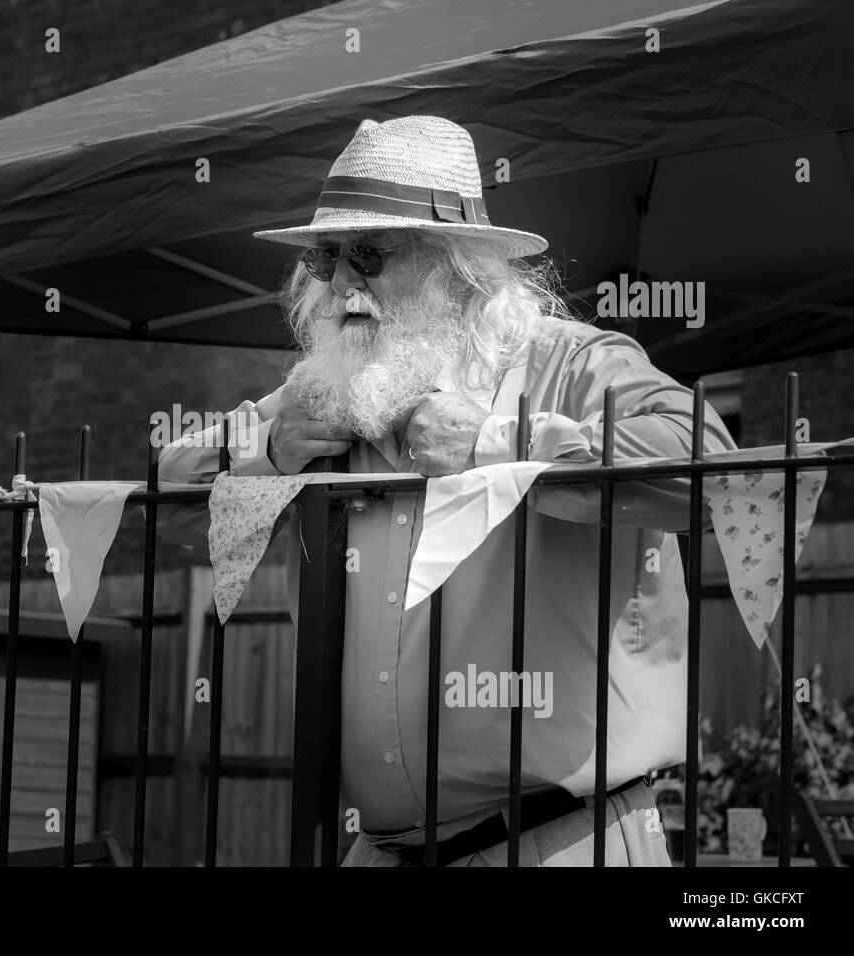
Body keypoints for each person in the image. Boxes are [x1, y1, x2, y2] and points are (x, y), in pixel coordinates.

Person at [157, 116, 736, 866]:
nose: (339, 283)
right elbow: (162, 504)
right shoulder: (327, 391)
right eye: (326, 258)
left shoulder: (574, 364)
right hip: (379, 850)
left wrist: (501, 446)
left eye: (368, 254)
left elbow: (716, 472)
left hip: (560, 843)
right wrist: (266, 453)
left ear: (459, 269)